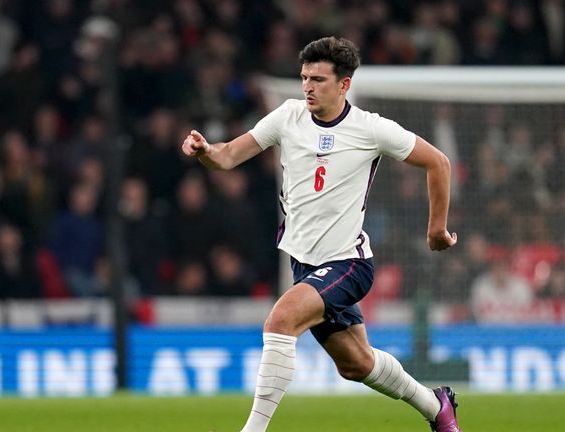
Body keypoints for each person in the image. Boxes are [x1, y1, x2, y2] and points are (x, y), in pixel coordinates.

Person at [182, 36, 462, 432]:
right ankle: (437, 408)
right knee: (356, 364)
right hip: (304, 266)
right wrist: (205, 150)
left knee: (280, 321)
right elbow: (228, 156)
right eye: (304, 78)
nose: (308, 87)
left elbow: (439, 162)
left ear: (344, 85)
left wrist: (436, 228)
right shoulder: (288, 116)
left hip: (347, 263)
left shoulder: (371, 128)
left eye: (318, 79)